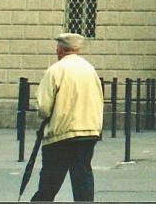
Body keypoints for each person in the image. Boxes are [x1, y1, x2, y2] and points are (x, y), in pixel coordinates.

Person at [31, 33, 104, 202]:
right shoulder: (90, 70)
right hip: (89, 132)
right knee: (82, 179)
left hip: (61, 133)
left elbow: (43, 107)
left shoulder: (55, 70)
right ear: (77, 49)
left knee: (49, 184)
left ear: (60, 50)